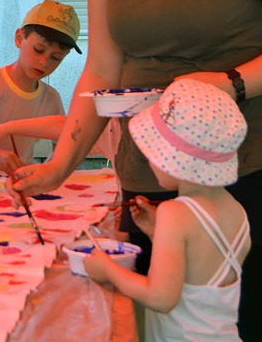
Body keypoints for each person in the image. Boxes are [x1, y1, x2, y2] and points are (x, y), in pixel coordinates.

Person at [12, 0, 262, 338]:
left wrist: (232, 82)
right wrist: (60, 166)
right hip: (151, 164)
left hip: (242, 165)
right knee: (156, 322)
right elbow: (102, 67)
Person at [84, 79, 250, 341]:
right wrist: (155, 233)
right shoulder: (237, 210)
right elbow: (198, 271)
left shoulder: (175, 214)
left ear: (174, 159)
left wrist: (108, 269)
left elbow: (161, 297)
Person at [0, 0, 80, 174]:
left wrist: (47, 171)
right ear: (19, 38)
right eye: (39, 50)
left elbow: (65, 144)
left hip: (18, 181)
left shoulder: (51, 98)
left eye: (56, 57)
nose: (44, 62)